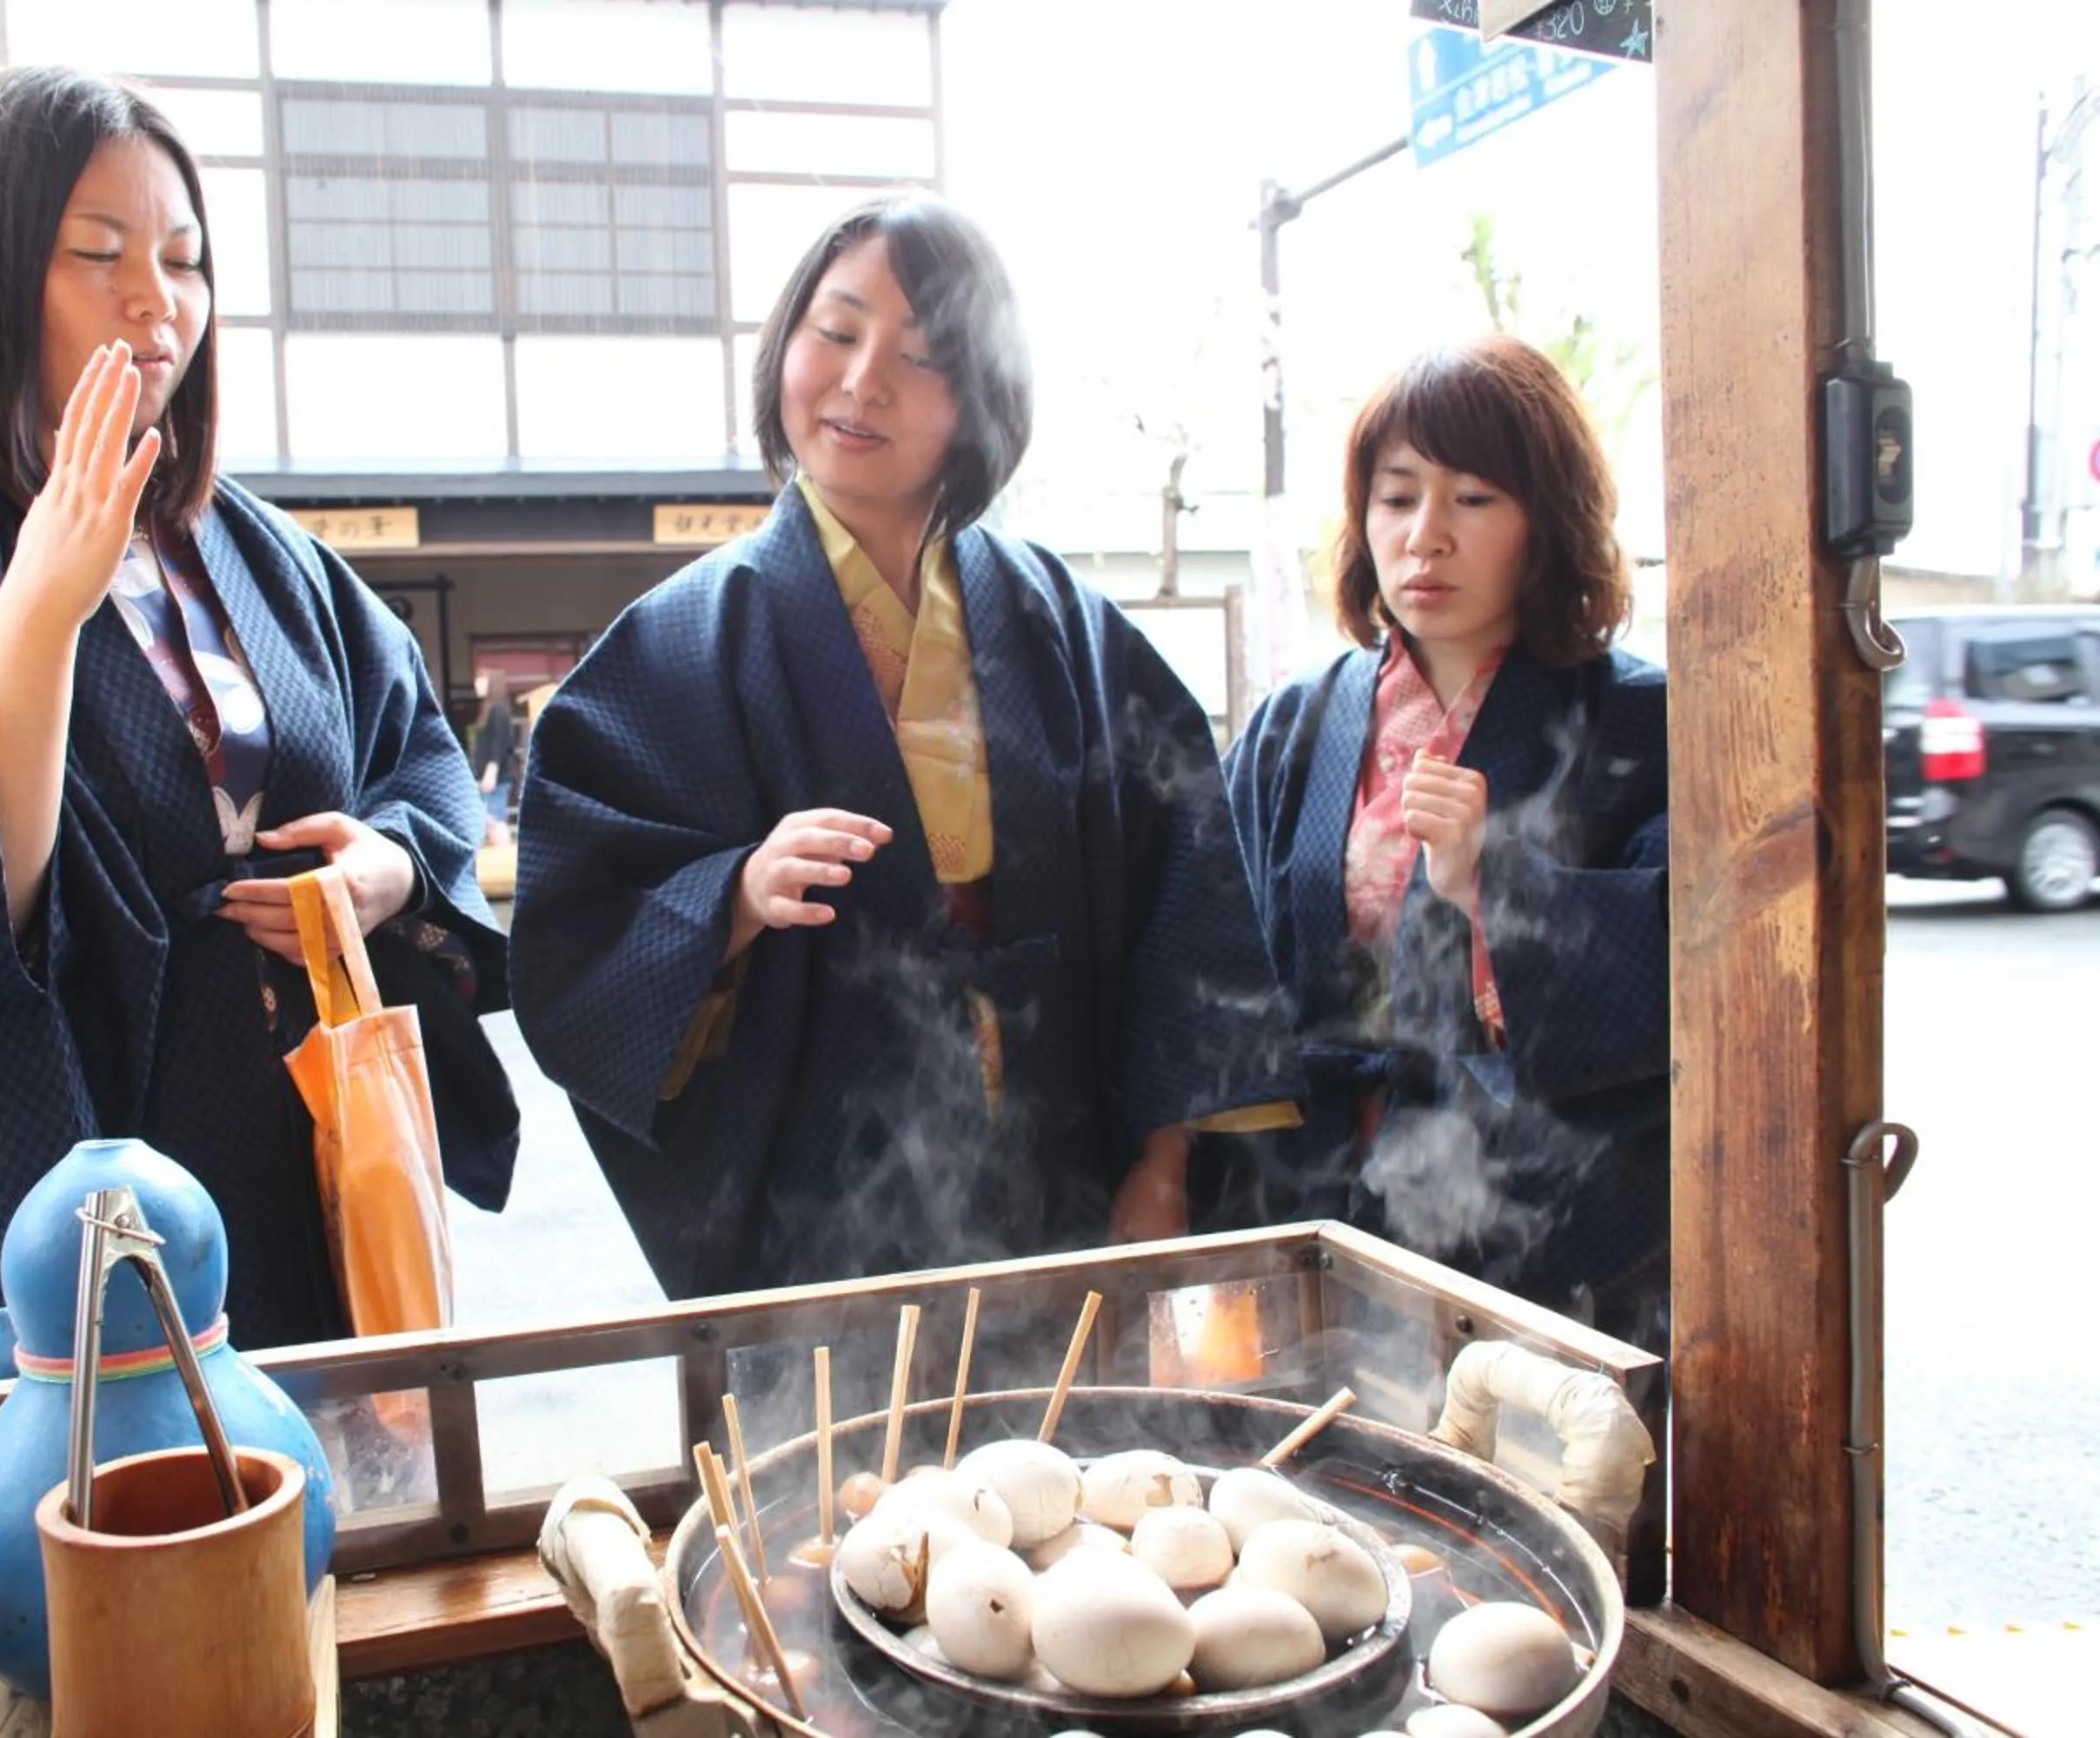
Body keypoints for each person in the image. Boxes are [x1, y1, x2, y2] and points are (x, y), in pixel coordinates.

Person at [0, 67, 514, 1389]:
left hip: (305, 1150)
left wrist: (386, 865)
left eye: (184, 260)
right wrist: (38, 612)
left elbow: (419, 752)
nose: (155, 301)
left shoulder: (259, 550)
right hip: (80, 1178)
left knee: (344, 1512)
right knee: (117, 1535)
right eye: (96, 254)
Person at [509, 195, 1300, 1303]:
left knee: (1062, 1466)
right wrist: (730, 896)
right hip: (815, 1203)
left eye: (922, 356)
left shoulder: (1065, 628)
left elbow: (1186, 896)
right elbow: (579, 935)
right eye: (835, 332)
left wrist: (1163, 1161)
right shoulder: (680, 642)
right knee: (838, 1469)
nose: (861, 380)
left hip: (1055, 1164)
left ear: (980, 401)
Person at [1219, 334, 1669, 1350]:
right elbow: (1219, 962)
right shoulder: (1297, 726)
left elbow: (1681, 962)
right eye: (1397, 495)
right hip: (1316, 1207)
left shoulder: (1639, 721)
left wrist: (1489, 883)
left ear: (1545, 523)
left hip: (1536, 1226)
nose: (1426, 536)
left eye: (1474, 499)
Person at [469, 670, 519, 842]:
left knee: (495, 818)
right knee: (489, 819)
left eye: (481, 680)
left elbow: (499, 744)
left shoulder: (498, 711)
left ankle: (505, 858)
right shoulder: (490, 709)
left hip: (497, 775)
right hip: (490, 775)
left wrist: (491, 772)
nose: (477, 684)